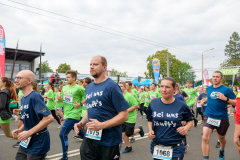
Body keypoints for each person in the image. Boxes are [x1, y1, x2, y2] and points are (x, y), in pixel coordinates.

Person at [74, 55, 129, 160]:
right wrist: (82, 123)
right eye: (90, 64)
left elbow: (124, 115)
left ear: (104, 67)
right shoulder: (89, 87)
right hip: (90, 138)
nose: (91, 67)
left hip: (109, 140)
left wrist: (102, 125)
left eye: (95, 64)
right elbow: (90, 109)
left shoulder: (112, 86)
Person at [147, 77, 193, 160]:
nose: (164, 90)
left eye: (167, 87)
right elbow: (150, 119)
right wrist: (150, 130)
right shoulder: (153, 103)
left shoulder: (181, 105)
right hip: (157, 146)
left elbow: (190, 121)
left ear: (174, 89)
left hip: (175, 148)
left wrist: (186, 128)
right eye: (162, 86)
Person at [12, 70, 54, 160]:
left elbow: (49, 118)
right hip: (26, 141)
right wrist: (20, 130)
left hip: (38, 141)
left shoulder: (35, 96)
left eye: (19, 78)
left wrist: (29, 132)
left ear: (29, 81)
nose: (16, 80)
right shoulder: (23, 99)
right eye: (15, 78)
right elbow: (29, 118)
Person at [201, 71, 236, 160]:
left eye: (217, 77)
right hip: (209, 116)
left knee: (221, 139)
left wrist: (226, 98)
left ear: (221, 78)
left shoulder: (227, 89)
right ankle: (206, 159)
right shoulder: (209, 88)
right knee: (205, 138)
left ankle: (222, 150)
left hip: (222, 118)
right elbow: (209, 98)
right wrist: (204, 101)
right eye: (213, 76)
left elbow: (236, 102)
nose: (215, 78)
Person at [58, 70, 85, 160]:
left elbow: (87, 98)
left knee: (62, 134)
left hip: (74, 114)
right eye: (66, 77)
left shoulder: (79, 88)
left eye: (68, 77)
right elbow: (63, 100)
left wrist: (80, 104)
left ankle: (65, 156)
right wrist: (59, 98)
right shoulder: (65, 88)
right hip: (67, 113)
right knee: (82, 134)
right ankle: (92, 142)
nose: (66, 79)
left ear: (74, 78)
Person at [118, 81, 144, 153]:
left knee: (129, 134)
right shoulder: (118, 96)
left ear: (125, 87)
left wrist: (126, 111)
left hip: (130, 118)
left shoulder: (129, 96)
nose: (119, 88)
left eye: (121, 86)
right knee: (123, 134)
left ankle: (139, 129)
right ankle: (128, 147)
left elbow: (136, 105)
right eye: (118, 86)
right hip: (121, 118)